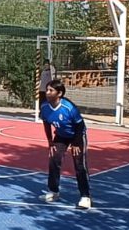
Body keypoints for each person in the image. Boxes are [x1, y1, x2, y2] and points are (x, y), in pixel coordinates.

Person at [38, 79, 91, 210]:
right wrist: (50, 141)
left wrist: (77, 144)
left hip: (77, 135)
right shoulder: (44, 107)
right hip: (61, 135)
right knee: (54, 160)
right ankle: (54, 191)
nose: (47, 92)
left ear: (59, 93)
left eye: (51, 90)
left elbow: (80, 125)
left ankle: (85, 196)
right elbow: (46, 123)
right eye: (47, 90)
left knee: (79, 165)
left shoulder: (69, 108)